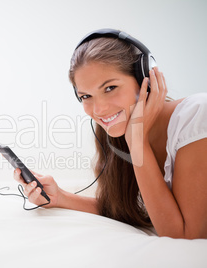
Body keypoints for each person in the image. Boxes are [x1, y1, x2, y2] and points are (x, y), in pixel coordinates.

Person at [14, 29, 207, 239]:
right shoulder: (123, 134)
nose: (99, 110)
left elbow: (183, 236)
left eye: (110, 88)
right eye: (86, 96)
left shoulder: (197, 118)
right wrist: (60, 197)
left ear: (146, 78)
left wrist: (137, 143)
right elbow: (130, 211)